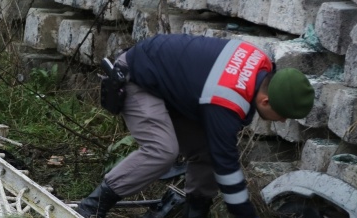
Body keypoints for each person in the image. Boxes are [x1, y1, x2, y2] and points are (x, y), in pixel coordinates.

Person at [77, 34, 315, 218]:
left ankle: (196, 211)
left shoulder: (261, 63)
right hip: (137, 78)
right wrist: (245, 213)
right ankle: (91, 208)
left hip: (169, 88)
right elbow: (227, 165)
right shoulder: (227, 99)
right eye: (282, 115)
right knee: (162, 151)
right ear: (265, 101)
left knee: (207, 151)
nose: (282, 121)